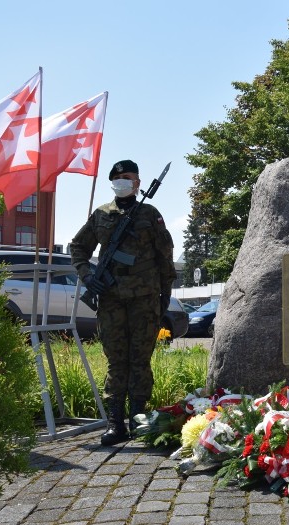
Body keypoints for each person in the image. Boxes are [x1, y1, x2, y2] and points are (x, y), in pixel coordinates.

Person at [70, 159, 177, 446]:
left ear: (137, 182)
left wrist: (164, 294)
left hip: (144, 300)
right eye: (117, 178)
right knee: (116, 361)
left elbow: (165, 256)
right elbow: (78, 246)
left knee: (140, 360)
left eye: (127, 177)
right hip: (111, 300)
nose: (121, 182)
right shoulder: (102, 214)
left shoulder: (149, 214)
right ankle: (116, 424)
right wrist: (87, 275)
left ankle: (139, 420)